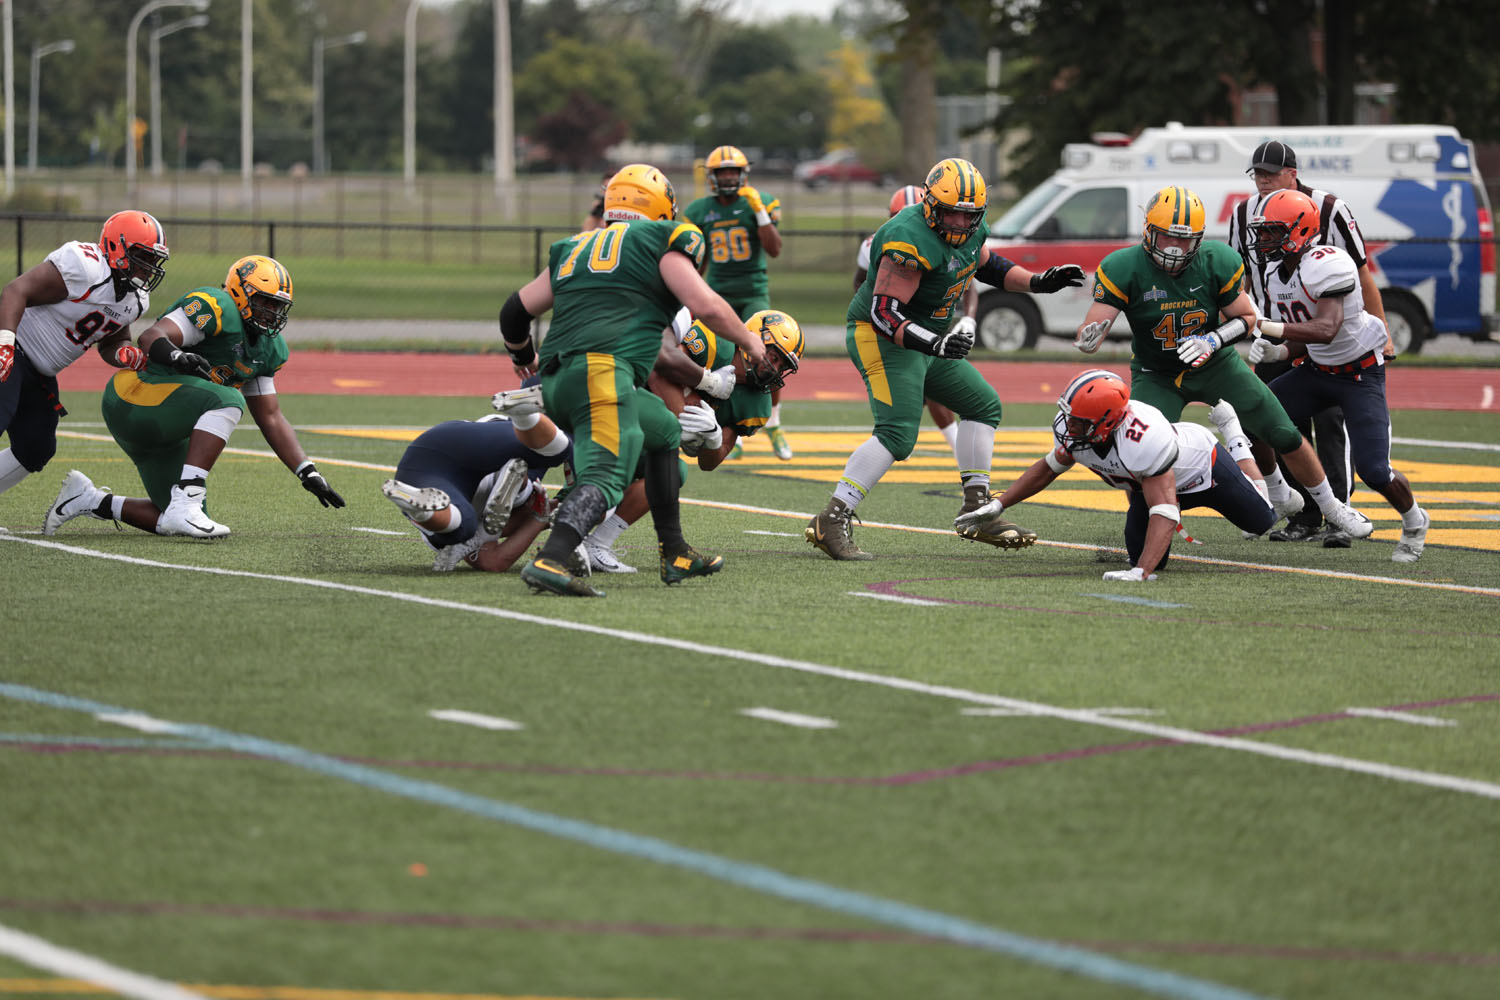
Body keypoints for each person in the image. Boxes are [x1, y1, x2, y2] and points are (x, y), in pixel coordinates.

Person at [498, 162, 767, 597]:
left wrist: (524, 358)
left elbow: (514, 312)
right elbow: (708, 306)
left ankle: (674, 552)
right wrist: (749, 342)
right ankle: (553, 557)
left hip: (558, 379)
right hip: (603, 372)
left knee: (662, 431)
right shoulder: (662, 239)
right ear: (662, 209)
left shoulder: (575, 245)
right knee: (606, 475)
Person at [806, 156, 1085, 560]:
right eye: (950, 213)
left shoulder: (971, 229)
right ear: (931, 205)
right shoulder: (908, 237)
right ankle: (831, 518)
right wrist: (935, 344)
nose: (958, 222)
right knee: (898, 432)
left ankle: (977, 508)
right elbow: (884, 314)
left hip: (926, 337)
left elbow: (988, 265)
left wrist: (1038, 282)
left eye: (967, 215)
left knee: (982, 404)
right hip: (881, 336)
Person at [1074, 184, 1373, 541]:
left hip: (1216, 363)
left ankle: (1332, 508)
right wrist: (1089, 337)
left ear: (1199, 239)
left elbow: (1247, 317)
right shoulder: (1123, 266)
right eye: (1167, 236)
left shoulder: (1216, 260)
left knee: (1282, 431)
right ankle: (1150, 526)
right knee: (1142, 452)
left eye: (1185, 239)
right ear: (1148, 231)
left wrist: (1212, 339)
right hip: (1158, 373)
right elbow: (1094, 325)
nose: (1175, 247)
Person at [43, 255, 345, 539]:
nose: (271, 312)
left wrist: (307, 471)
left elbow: (270, 416)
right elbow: (151, 337)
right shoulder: (217, 306)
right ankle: (188, 493)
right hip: (135, 396)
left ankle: (91, 500)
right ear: (241, 293)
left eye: (278, 306)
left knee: (174, 521)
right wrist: (176, 356)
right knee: (228, 399)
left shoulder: (269, 348)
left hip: (165, 427)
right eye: (265, 301)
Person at [1247, 189, 1430, 563]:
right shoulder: (1274, 272)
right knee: (1254, 413)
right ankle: (1282, 494)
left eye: (1271, 232)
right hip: (1316, 369)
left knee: (1374, 470)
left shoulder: (1327, 262)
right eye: (1261, 232)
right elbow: (1304, 335)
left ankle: (1414, 521)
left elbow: (1327, 328)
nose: (1262, 241)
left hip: (1359, 374)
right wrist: (1279, 352)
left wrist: (1269, 329)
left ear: (1299, 230)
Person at [958, 369, 1276, 580]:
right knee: (1147, 557)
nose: (1070, 427)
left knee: (1261, 521)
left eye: (1080, 422)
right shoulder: (1082, 434)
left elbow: (1166, 509)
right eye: (1070, 418)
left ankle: (1234, 436)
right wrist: (999, 505)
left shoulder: (1143, 440)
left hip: (1204, 470)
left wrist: (1141, 573)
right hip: (1148, 484)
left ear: (1107, 421)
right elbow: (1047, 469)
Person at [1229, 139, 1391, 547]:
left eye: (1270, 173)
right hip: (1275, 328)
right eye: (1257, 174)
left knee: (1331, 422)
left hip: (1321, 331)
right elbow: (1240, 278)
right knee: (1275, 420)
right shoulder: (1246, 213)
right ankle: (1303, 513)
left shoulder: (1329, 208)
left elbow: (1360, 271)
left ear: (1292, 174)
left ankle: (1340, 511)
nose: (1262, 181)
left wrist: (1382, 329)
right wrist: (1250, 327)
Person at [577, 308, 805, 573]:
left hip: (648, 432)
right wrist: (683, 413)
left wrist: (712, 437)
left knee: (673, 471)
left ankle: (598, 543)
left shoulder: (757, 404)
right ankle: (565, 533)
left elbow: (711, 462)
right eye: (773, 357)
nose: (773, 369)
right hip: (623, 398)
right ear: (753, 338)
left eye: (781, 365)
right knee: (607, 476)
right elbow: (658, 368)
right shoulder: (715, 343)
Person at [1, 211, 168, 499]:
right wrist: (4, 343)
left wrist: (127, 355)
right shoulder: (85, 266)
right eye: (144, 256)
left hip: (41, 373)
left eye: (154, 260)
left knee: (36, 447)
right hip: (12, 348)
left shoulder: (134, 299)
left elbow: (111, 343)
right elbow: (16, 291)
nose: (149, 267)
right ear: (118, 247)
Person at [683, 145, 794, 461]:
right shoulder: (700, 211)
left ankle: (774, 422)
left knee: (771, 354)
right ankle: (726, 419)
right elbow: (697, 260)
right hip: (718, 293)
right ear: (712, 176)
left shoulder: (759, 203)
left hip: (752, 291)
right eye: (722, 172)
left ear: (743, 174)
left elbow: (774, 249)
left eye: (733, 171)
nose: (729, 177)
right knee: (715, 352)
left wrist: (758, 210)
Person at [855, 184, 965, 460]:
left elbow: (971, 275)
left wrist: (970, 318)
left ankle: (957, 446)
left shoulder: (947, 242)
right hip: (891, 326)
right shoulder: (877, 243)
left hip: (928, 322)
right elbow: (863, 288)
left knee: (937, 386)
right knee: (904, 401)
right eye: (898, 215)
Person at [381, 411, 571, 572]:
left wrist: (540, 519)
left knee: (462, 526)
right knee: (558, 452)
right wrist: (542, 518)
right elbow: (494, 562)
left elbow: (493, 562)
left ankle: (423, 510)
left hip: (435, 456)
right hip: (482, 452)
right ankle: (519, 478)